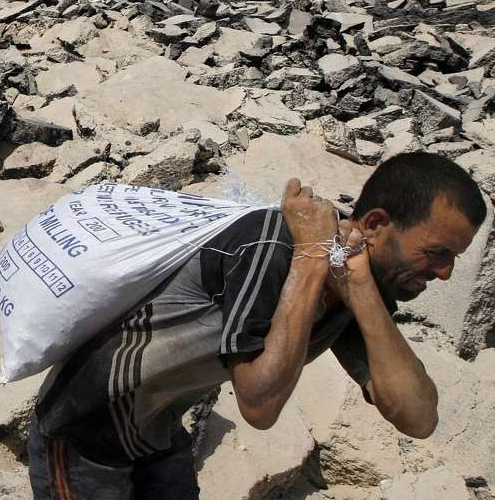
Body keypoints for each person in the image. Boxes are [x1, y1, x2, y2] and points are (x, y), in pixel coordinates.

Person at [28, 152, 486, 499]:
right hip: (85, 430)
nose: (444, 274)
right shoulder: (271, 246)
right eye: (437, 253)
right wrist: (310, 258)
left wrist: (361, 289)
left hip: (157, 429)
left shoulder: (360, 279)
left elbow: (419, 418)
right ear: (376, 223)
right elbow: (260, 404)